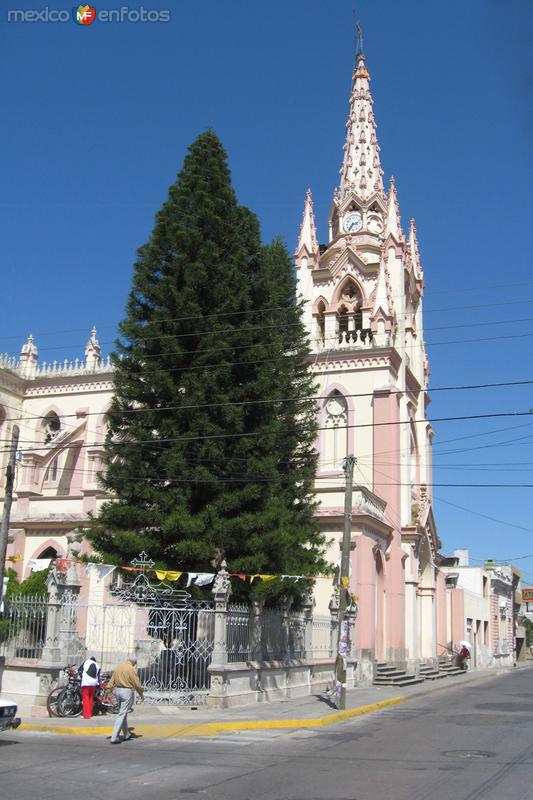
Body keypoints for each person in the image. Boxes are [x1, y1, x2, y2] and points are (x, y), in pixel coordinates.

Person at [107, 656, 144, 744]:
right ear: (133, 662)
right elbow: (136, 683)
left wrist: (109, 689)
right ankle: (114, 737)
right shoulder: (131, 669)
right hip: (126, 692)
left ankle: (126, 734)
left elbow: (112, 680)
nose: (135, 665)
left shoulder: (119, 666)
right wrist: (141, 694)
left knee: (123, 713)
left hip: (118, 691)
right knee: (122, 713)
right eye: (135, 664)